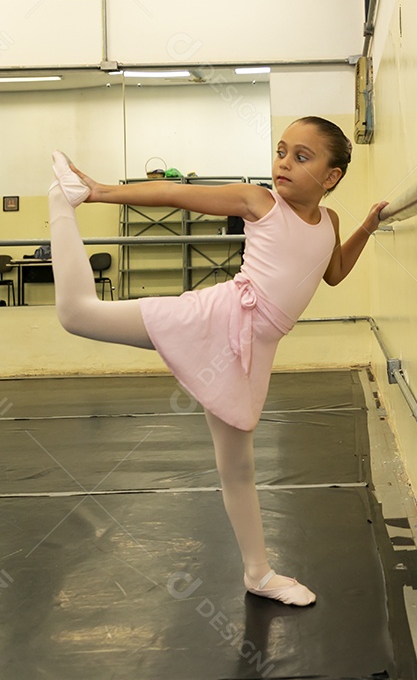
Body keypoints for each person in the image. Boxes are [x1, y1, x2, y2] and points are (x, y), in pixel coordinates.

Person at [49, 116, 387, 607]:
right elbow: (176, 197)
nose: (283, 163)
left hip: (254, 350)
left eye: (301, 156)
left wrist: (366, 227)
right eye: (281, 150)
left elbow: (333, 271)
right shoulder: (260, 202)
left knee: (237, 466)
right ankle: (63, 200)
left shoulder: (328, 223)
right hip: (220, 319)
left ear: (331, 177)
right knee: (78, 314)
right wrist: (98, 192)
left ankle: (259, 574)